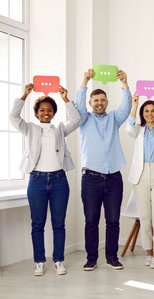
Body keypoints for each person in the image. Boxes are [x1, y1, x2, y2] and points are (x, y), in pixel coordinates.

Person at [10, 84, 81, 276]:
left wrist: (66, 99)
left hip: (59, 180)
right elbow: (13, 117)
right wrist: (25, 95)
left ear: (54, 112)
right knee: (37, 223)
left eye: (49, 110)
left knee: (59, 223)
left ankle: (58, 260)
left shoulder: (59, 129)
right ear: (37, 112)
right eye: (42, 110)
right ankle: (39, 261)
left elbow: (76, 119)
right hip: (37, 180)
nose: (46, 113)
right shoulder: (30, 128)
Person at [75, 68, 132, 271]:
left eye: (103, 100)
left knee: (113, 220)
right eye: (96, 100)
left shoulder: (114, 119)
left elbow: (126, 107)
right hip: (90, 178)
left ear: (107, 102)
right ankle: (91, 259)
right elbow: (77, 106)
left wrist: (124, 83)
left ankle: (112, 257)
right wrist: (85, 80)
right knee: (91, 220)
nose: (99, 103)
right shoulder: (83, 120)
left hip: (114, 178)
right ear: (91, 103)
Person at [126, 93, 154, 269]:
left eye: (153, 111)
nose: (150, 113)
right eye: (147, 111)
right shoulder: (138, 130)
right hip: (141, 174)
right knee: (145, 217)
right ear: (142, 113)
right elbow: (128, 129)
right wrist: (135, 105)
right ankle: (148, 251)